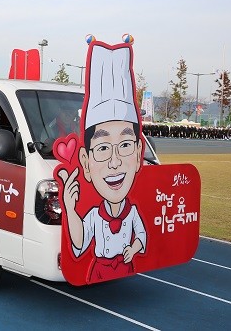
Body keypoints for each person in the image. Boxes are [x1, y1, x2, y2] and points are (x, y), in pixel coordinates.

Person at [59, 38, 146, 284]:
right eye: (103, 148)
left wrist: (134, 248)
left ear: (138, 153)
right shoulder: (95, 215)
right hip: (97, 268)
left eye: (125, 145)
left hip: (126, 266)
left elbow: (141, 235)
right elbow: (79, 242)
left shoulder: (133, 212)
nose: (115, 162)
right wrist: (70, 208)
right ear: (85, 162)